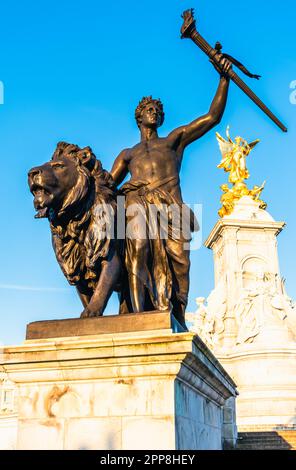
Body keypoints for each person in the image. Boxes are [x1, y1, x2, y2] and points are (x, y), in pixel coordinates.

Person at [110, 56, 232, 329]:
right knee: (138, 250)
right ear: (139, 116)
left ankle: (178, 316)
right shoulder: (128, 154)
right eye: (149, 109)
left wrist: (223, 79)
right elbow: (107, 184)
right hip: (139, 205)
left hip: (172, 209)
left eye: (157, 110)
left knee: (181, 263)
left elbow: (212, 117)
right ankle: (139, 315)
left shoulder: (173, 140)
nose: (154, 112)